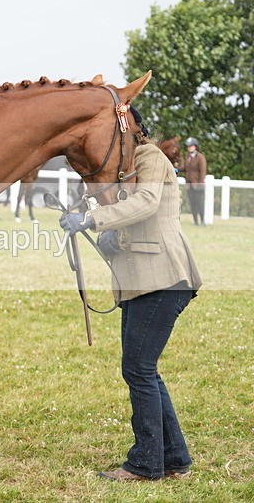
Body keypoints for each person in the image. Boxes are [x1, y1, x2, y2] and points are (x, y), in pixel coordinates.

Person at [60, 140, 203, 482]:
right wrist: (108, 232)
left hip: (164, 278)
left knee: (139, 369)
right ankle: (174, 459)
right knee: (144, 370)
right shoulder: (118, 169)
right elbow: (125, 219)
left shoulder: (149, 156)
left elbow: (147, 202)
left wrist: (92, 219)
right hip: (140, 281)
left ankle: (145, 465)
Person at [183, 137, 207, 226]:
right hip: (190, 185)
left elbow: (203, 171)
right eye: (188, 146)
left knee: (200, 203)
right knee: (192, 203)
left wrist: (200, 183)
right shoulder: (188, 157)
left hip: (198, 185)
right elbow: (185, 168)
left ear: (195, 147)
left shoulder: (200, 157)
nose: (189, 148)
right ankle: (195, 221)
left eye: (191, 146)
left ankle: (203, 221)